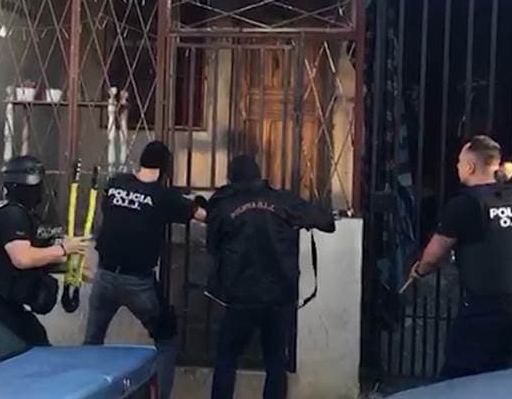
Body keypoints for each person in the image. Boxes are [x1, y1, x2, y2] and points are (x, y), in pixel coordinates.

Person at [84, 140, 206, 399]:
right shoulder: (164, 196)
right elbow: (201, 215)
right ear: (165, 169)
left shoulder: (116, 183)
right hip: (138, 283)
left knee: (92, 343)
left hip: (104, 276)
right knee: (167, 340)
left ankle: (84, 393)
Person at [206, 155, 336, 399]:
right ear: (259, 176)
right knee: (275, 361)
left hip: (240, 297)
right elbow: (327, 221)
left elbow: (212, 246)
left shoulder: (223, 205)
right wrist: (302, 220)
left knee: (226, 359)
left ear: (232, 179)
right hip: (279, 295)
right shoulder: (283, 201)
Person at [408, 135, 512, 379]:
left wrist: (419, 270)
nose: (456, 166)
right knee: (495, 377)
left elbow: (433, 256)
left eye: (459, 161)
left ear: (469, 167)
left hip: (487, 310)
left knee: (458, 379)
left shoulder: (464, 204)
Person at [0, 155, 90, 345]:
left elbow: (28, 254)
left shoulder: (7, 211)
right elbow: (22, 258)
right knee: (33, 347)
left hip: (1, 303)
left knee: (35, 341)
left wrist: (70, 268)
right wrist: (63, 249)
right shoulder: (12, 214)